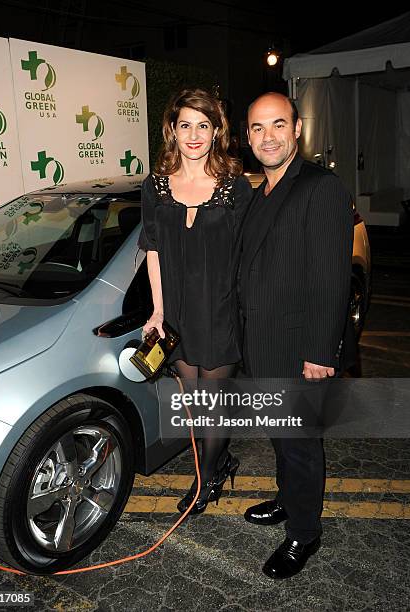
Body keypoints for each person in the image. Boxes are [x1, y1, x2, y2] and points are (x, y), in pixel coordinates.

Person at [238, 92, 355, 579]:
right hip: (262, 346)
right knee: (282, 439)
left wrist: (318, 352)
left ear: (297, 130)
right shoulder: (259, 191)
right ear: (247, 136)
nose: (269, 137)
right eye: (259, 128)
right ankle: (289, 501)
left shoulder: (320, 187)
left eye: (278, 125)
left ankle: (304, 533)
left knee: (301, 443)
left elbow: (331, 277)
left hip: (298, 349)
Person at [138, 88, 253, 514]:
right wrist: (158, 311)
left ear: (217, 131)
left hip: (221, 312)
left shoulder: (235, 190)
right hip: (179, 315)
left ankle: (205, 482)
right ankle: (218, 465)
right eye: (185, 124)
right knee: (195, 409)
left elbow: (251, 255)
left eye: (203, 125)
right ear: (171, 129)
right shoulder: (156, 186)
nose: (193, 134)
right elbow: (153, 250)